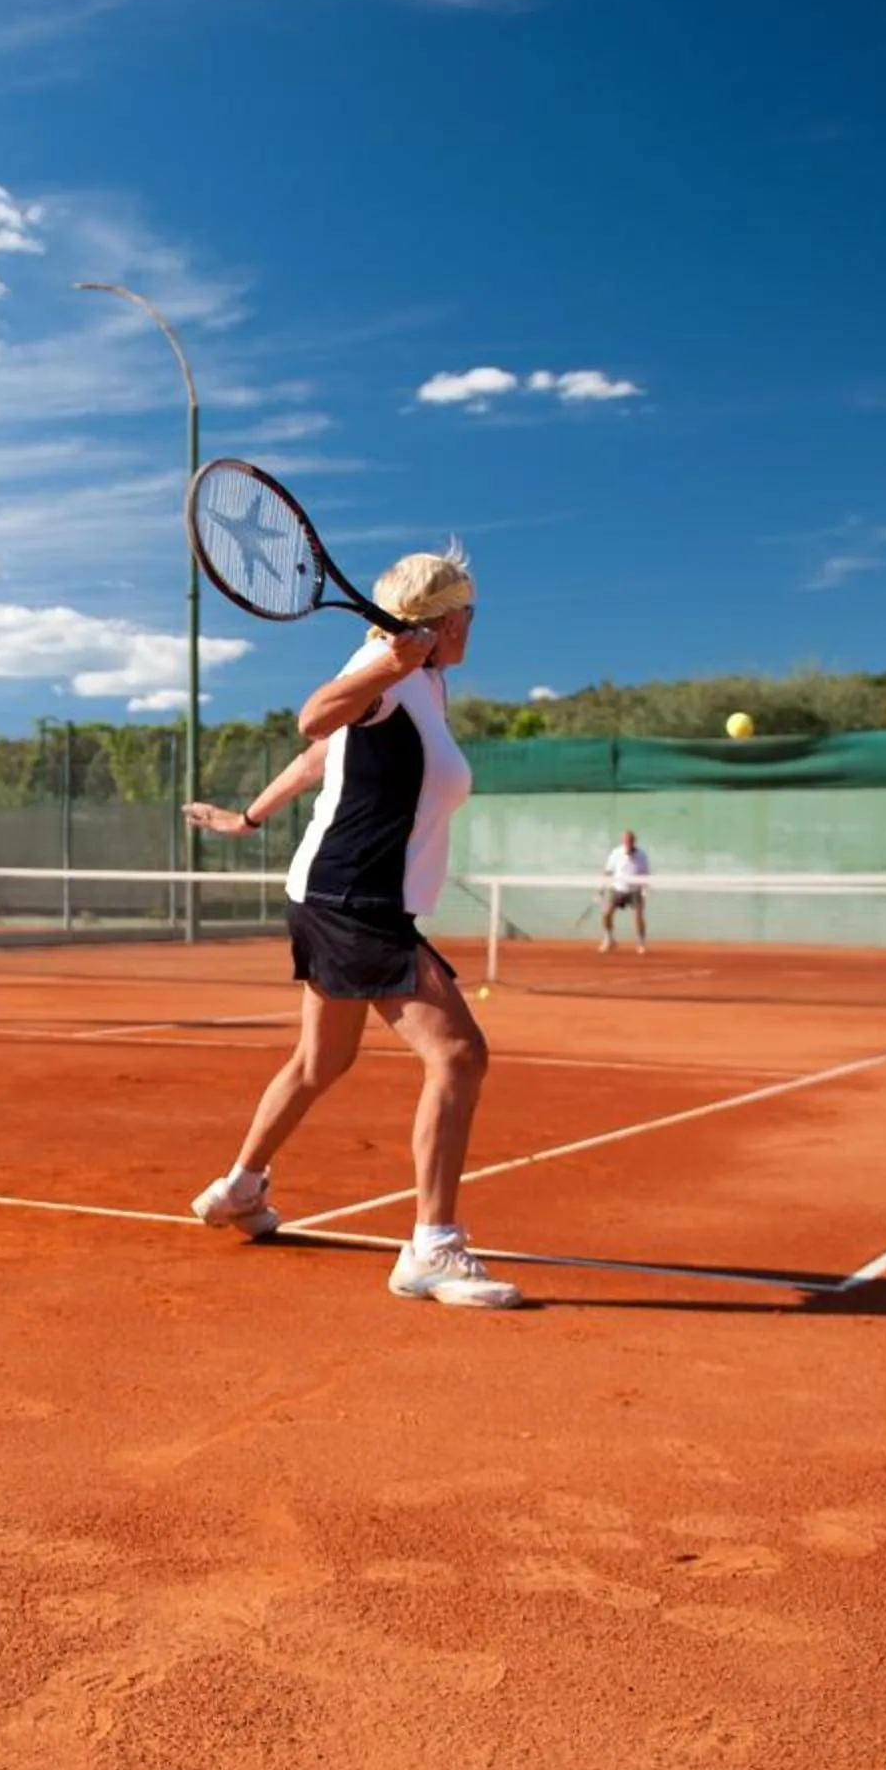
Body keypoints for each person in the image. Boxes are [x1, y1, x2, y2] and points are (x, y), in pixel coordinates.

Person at [180, 547, 521, 1310]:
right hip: (352, 898)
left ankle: (238, 1188)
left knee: (319, 1061)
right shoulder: (389, 672)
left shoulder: (424, 680)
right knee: (459, 1054)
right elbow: (315, 715)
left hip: (340, 893)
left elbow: (313, 761)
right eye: (469, 611)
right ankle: (432, 1247)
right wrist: (385, 665)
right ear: (443, 619)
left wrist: (247, 818)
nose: (474, 624)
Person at [599, 828, 651, 953]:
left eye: (630, 841)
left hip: (635, 890)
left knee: (638, 916)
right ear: (623, 842)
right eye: (626, 841)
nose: (628, 843)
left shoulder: (642, 855)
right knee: (606, 914)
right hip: (617, 889)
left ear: (634, 842)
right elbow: (608, 871)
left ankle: (641, 943)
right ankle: (609, 939)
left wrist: (645, 890)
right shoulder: (616, 853)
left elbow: (645, 875)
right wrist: (601, 888)